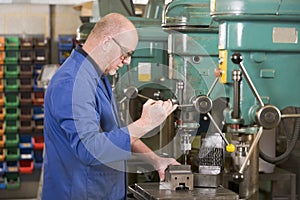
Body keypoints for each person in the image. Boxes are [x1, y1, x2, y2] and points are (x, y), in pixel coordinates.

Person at [42, 13, 179, 200]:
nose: (128, 61)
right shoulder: (72, 83)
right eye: (126, 53)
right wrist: (145, 123)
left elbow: (116, 133)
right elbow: (90, 149)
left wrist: (156, 160)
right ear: (107, 42)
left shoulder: (96, 78)